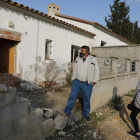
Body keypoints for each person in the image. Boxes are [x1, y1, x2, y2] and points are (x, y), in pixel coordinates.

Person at [64, 45, 99, 122]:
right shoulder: (78, 58)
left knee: (86, 99)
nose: (80, 52)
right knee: (71, 97)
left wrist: (94, 82)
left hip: (87, 84)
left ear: (87, 53)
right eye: (81, 51)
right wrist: (74, 78)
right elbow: (75, 68)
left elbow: (97, 71)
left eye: (82, 51)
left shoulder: (93, 59)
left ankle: (86, 114)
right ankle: (67, 112)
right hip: (76, 82)